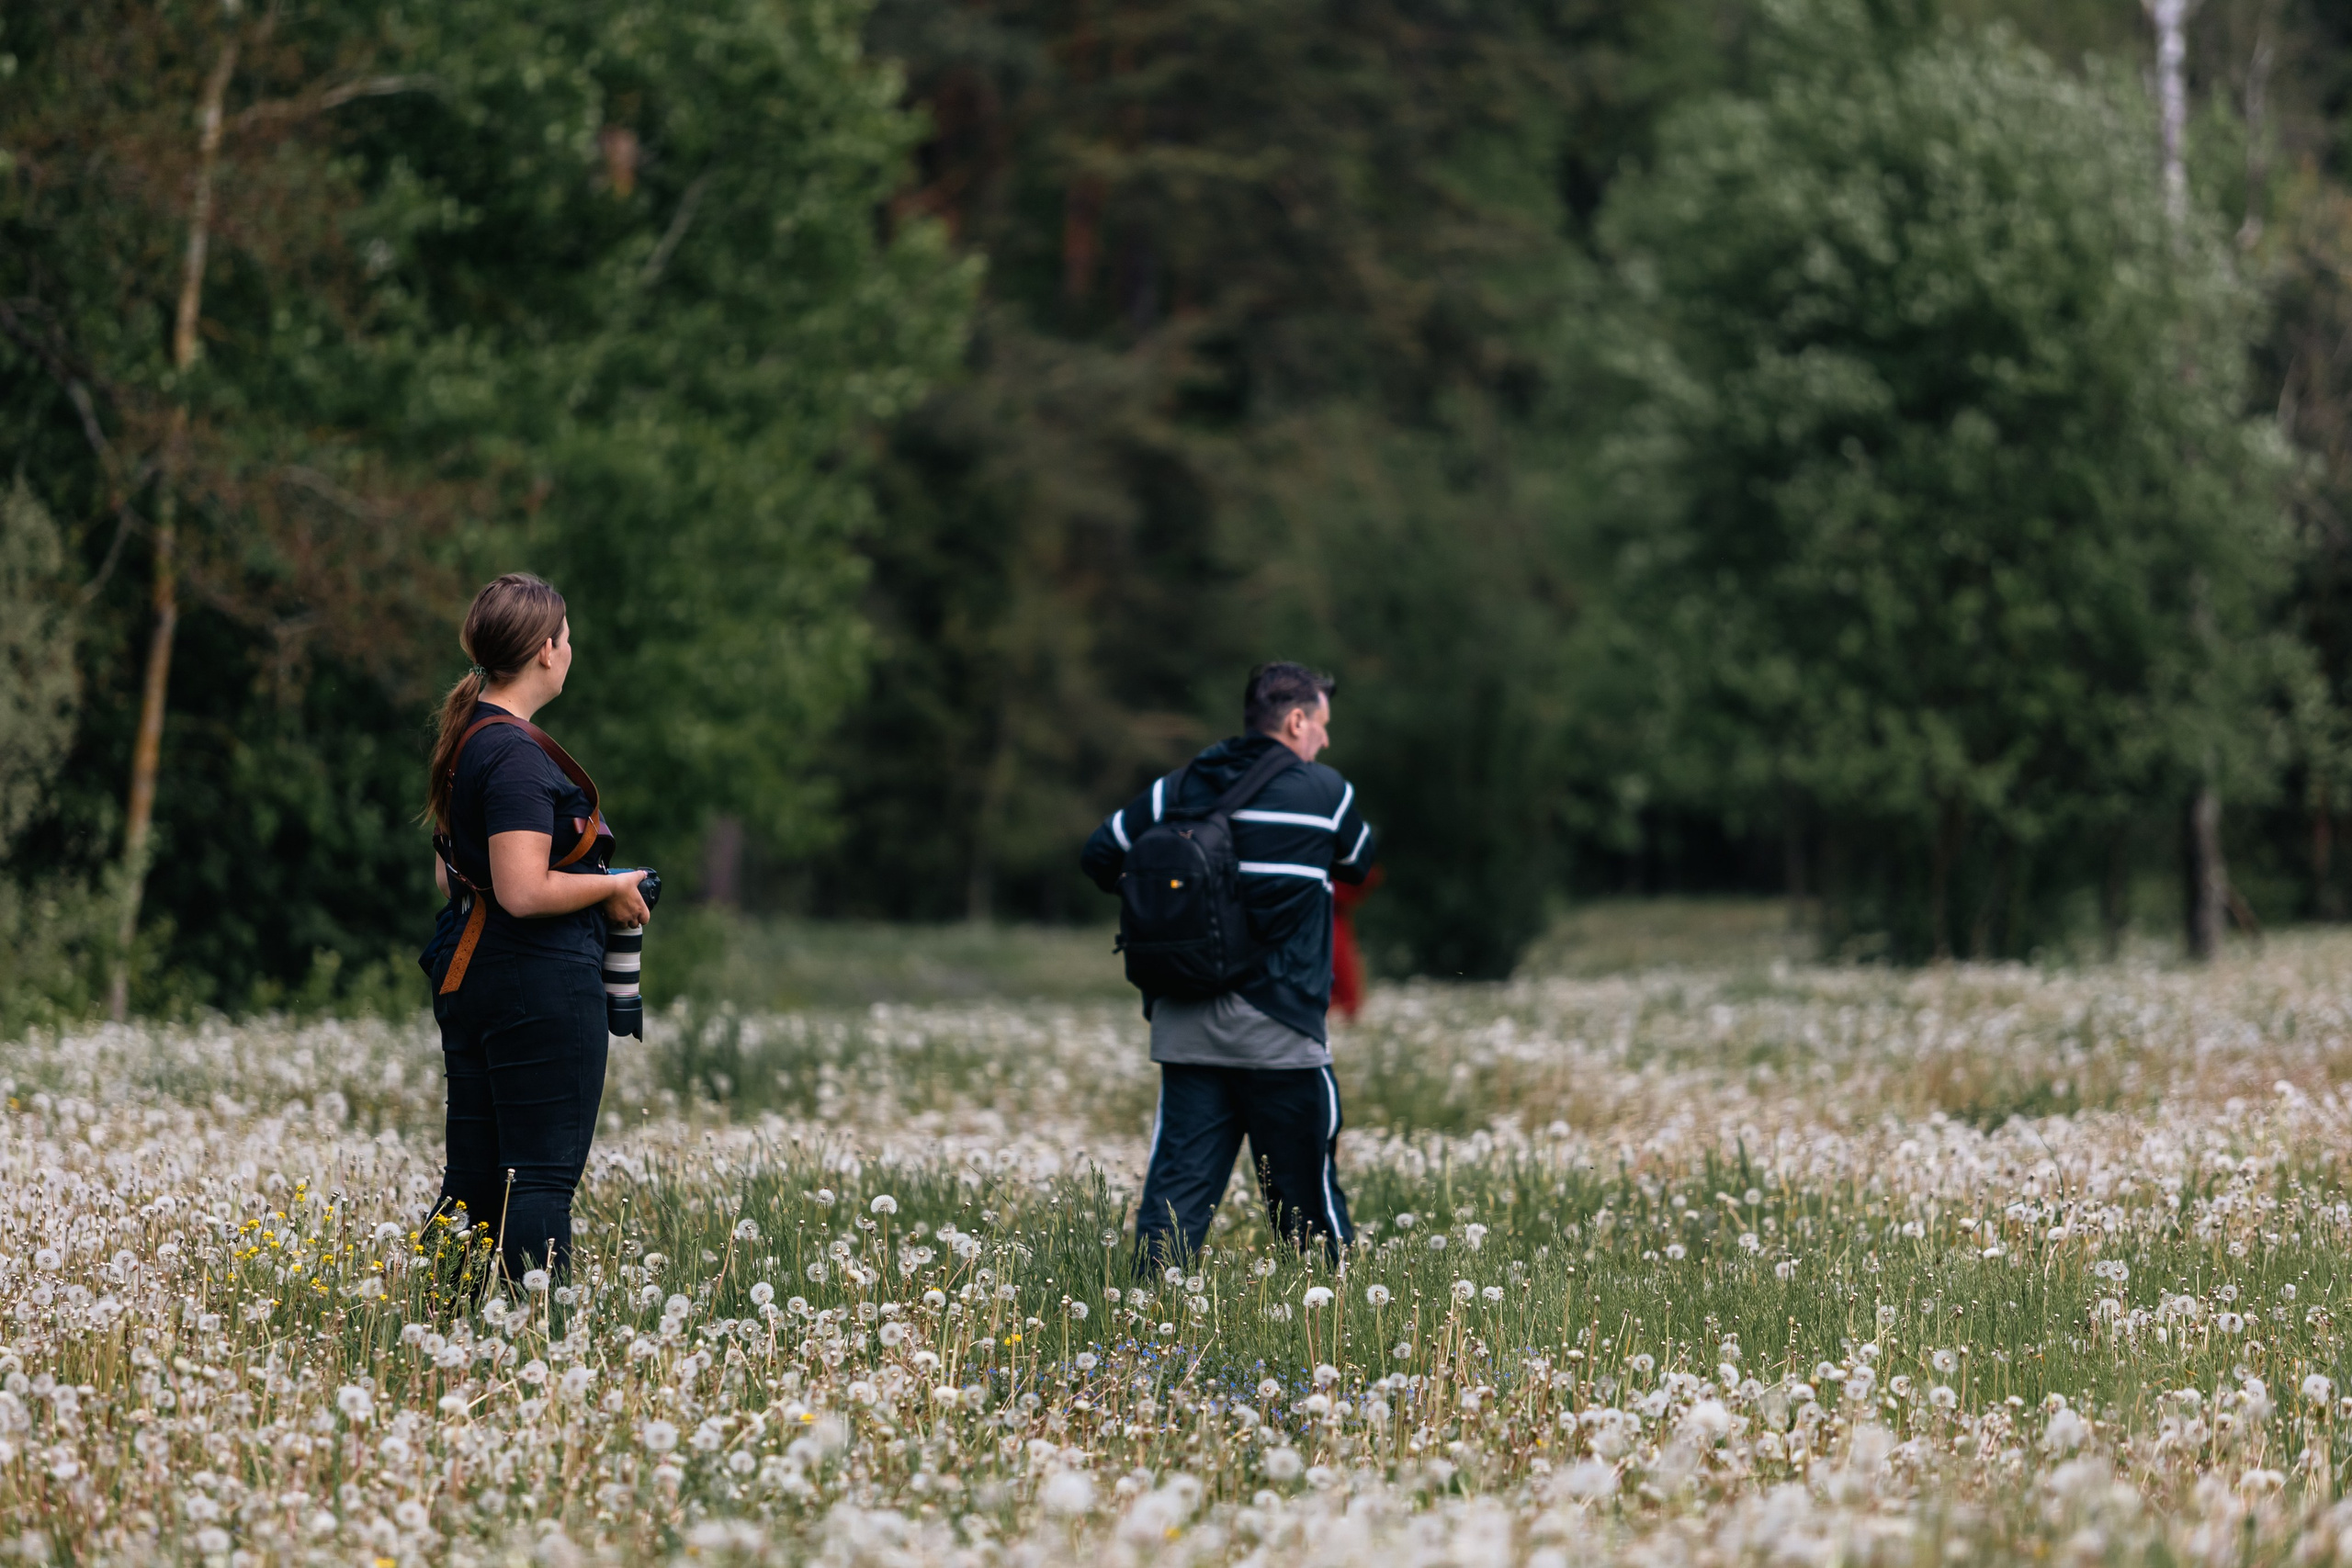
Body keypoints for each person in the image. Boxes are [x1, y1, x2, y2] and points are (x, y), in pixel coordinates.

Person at [1081, 661, 1377, 1269]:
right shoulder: (1325, 793)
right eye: (1321, 723)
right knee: (1308, 1209)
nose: (1324, 738)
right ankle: (1333, 1327)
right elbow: (1358, 862)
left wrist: (1172, 910)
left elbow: (1102, 852)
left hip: (1187, 1028)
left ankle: (1145, 1334)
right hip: (1282, 1033)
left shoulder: (1180, 787)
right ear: (1296, 720)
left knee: (1174, 1205)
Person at [419, 573, 651, 1283]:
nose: (571, 648)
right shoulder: (517, 754)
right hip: (535, 981)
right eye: (569, 636)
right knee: (540, 1181)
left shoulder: (470, 738)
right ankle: (537, 1352)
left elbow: (449, 874)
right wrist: (613, 887)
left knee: (474, 1183)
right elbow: (520, 890)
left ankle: (435, 1332)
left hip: (474, 972)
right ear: (546, 650)